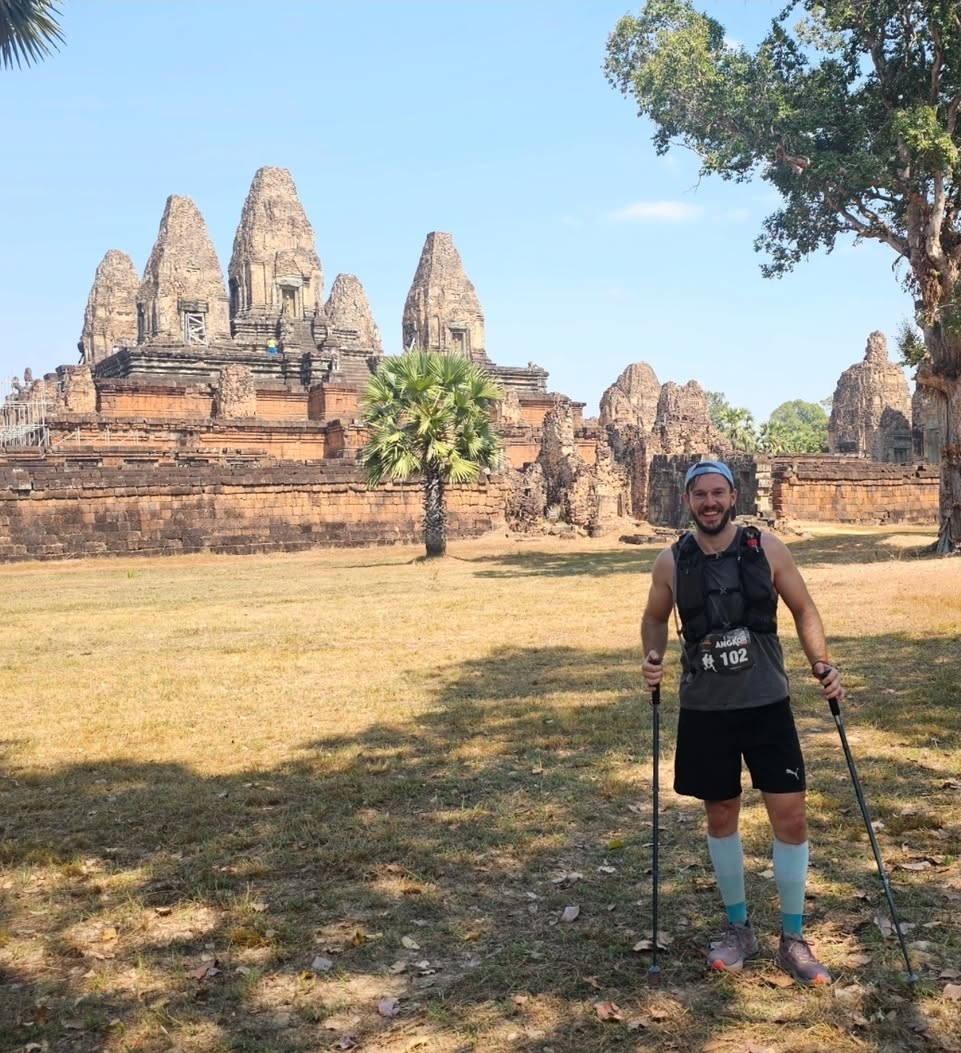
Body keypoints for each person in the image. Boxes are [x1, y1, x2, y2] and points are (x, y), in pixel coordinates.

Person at [640, 459, 845, 986]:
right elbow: (655, 617)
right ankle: (739, 928)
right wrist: (653, 656)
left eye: (718, 493)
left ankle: (793, 936)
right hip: (706, 709)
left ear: (733, 496)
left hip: (766, 702)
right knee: (721, 816)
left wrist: (821, 662)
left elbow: (804, 609)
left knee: (791, 817)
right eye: (699, 495)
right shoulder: (672, 561)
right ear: (688, 501)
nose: (709, 502)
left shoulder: (766, 548)